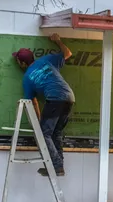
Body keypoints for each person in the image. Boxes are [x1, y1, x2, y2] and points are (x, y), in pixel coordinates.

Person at [13, 33, 74, 177]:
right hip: (69, 97)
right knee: (55, 133)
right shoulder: (46, 60)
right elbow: (68, 53)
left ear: (22, 63)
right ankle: (59, 167)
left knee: (44, 134)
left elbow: (32, 101)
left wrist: (39, 121)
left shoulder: (27, 77)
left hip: (55, 99)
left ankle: (56, 165)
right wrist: (58, 41)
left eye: (17, 61)